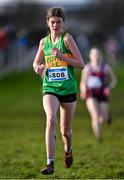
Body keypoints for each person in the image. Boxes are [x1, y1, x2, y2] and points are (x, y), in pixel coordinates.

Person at [33, 7, 84, 175]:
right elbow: (35, 63)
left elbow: (80, 64)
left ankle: (68, 149)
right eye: (52, 22)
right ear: (47, 23)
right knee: (51, 120)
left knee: (65, 131)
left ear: (63, 23)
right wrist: (38, 67)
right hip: (50, 87)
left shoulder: (67, 39)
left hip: (68, 88)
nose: (55, 25)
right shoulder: (43, 42)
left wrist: (62, 56)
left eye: (59, 22)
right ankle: (50, 163)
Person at [80, 47, 117, 141]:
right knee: (95, 116)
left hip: (102, 93)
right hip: (91, 93)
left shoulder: (105, 67)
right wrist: (83, 90)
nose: (96, 57)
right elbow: (83, 82)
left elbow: (114, 80)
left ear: (101, 56)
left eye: (98, 55)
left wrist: (109, 88)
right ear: (90, 56)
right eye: (94, 55)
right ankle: (99, 137)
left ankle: (106, 117)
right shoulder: (87, 68)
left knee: (103, 118)